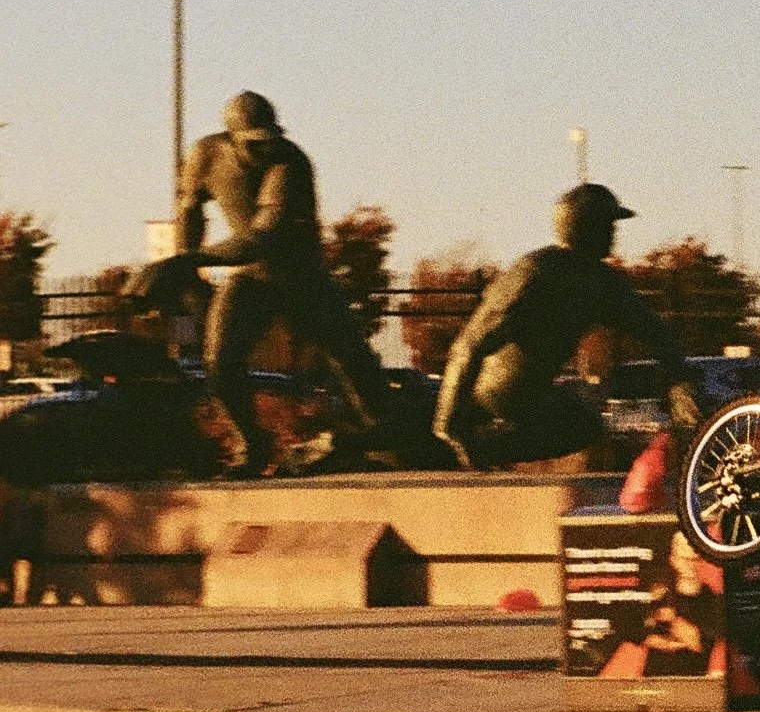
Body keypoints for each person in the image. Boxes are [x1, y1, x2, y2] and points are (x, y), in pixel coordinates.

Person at [135, 91, 399, 475]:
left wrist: (186, 261)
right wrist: (186, 274)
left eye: (269, 140)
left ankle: (385, 438)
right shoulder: (206, 155)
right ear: (230, 137)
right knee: (220, 365)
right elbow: (189, 209)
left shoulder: (290, 162)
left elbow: (263, 237)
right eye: (254, 144)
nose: (264, 150)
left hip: (302, 278)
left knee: (352, 363)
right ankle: (252, 447)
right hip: (252, 278)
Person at [433, 182, 702, 469]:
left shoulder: (602, 282)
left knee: (584, 424)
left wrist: (679, 388)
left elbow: (658, 334)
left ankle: (489, 452)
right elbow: (468, 345)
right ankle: (475, 451)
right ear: (584, 226)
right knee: (576, 421)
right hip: (490, 390)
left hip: (533, 393)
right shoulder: (536, 271)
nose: (614, 233)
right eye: (607, 224)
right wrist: (447, 423)